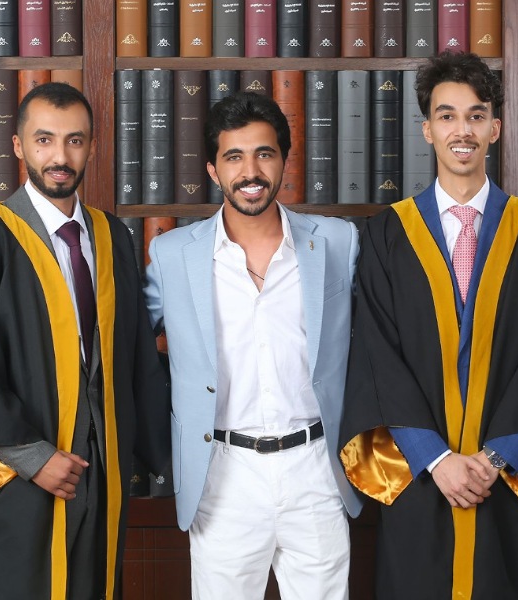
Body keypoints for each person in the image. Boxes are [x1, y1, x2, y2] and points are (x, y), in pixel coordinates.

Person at [339, 51, 518, 599]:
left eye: (476, 115)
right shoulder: (387, 235)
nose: (462, 130)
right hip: (423, 477)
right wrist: (437, 459)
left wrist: (494, 458)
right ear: (427, 129)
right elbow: (378, 354)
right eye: (446, 116)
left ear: (496, 128)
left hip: (508, 478)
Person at [0, 82, 170, 600]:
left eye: (74, 140)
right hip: (20, 473)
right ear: (19, 146)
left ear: (92, 146)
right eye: (44, 140)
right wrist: (33, 458)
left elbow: (135, 359)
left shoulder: (112, 237)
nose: (60, 156)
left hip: (100, 468)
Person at [144, 91, 363, 599]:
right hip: (223, 474)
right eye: (234, 157)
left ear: (284, 161)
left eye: (264, 154)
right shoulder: (172, 254)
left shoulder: (337, 242)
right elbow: (126, 350)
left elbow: (382, 340)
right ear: (213, 169)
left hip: (316, 468)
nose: (251, 171)